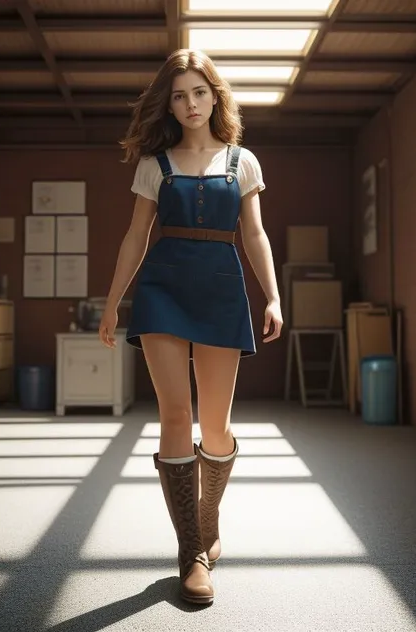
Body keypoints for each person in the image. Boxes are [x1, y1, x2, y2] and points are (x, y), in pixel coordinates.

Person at [99, 48, 283, 605]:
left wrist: (272, 296)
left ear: (215, 95)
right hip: (162, 291)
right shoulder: (154, 164)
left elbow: (254, 235)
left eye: (198, 92)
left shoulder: (241, 160)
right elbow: (135, 236)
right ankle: (191, 552)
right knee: (175, 414)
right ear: (169, 103)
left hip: (222, 291)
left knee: (217, 425)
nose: (189, 103)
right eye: (178, 95)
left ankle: (207, 518)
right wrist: (113, 302)